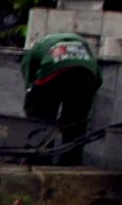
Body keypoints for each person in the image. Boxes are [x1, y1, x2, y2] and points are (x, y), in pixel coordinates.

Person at [20, 25, 103, 162]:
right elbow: (98, 78)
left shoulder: (36, 50)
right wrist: (84, 100)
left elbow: (29, 82)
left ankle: (40, 158)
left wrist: (31, 101)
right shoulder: (82, 44)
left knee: (43, 116)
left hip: (54, 70)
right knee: (76, 120)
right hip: (86, 74)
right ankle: (71, 160)